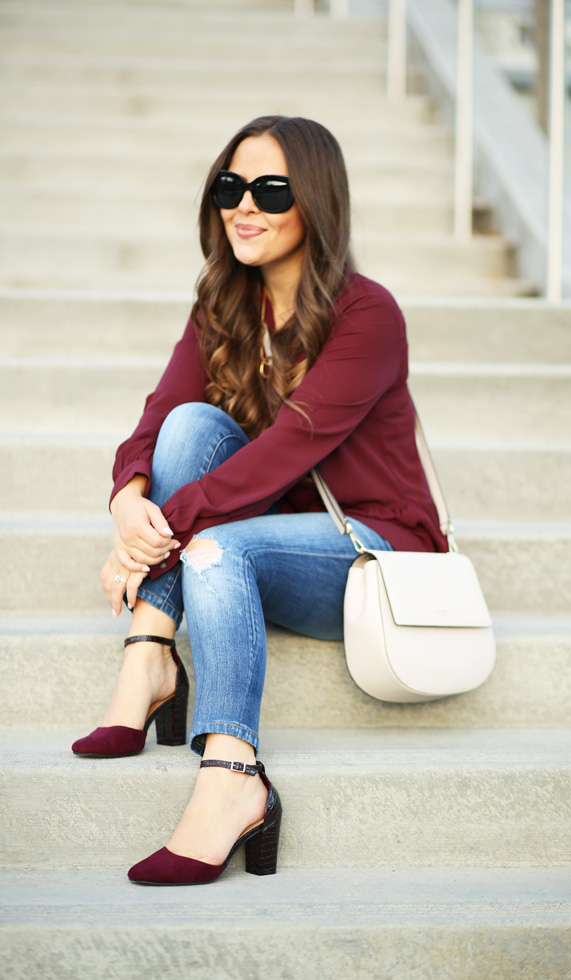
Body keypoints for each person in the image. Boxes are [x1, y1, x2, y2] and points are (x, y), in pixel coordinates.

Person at [71, 115, 447, 886]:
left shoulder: (368, 315)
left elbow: (286, 454)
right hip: (266, 534)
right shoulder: (225, 304)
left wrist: (155, 536)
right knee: (186, 427)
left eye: (271, 189)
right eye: (230, 186)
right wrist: (125, 505)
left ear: (315, 202)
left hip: (373, 546)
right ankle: (151, 652)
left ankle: (233, 775)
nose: (245, 204)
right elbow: (154, 420)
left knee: (216, 544)